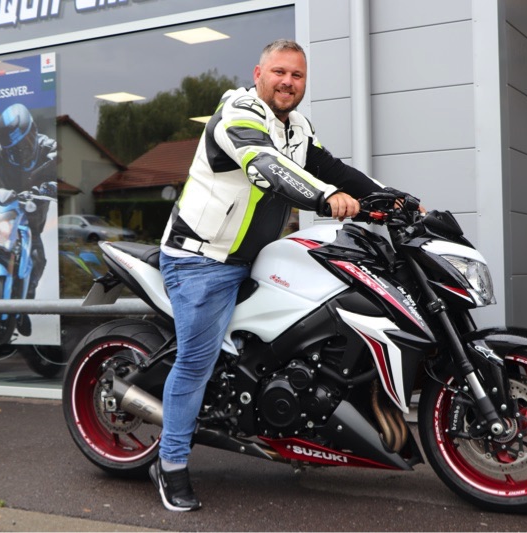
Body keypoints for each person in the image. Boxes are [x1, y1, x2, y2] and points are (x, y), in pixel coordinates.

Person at [152, 39, 386, 511]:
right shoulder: (237, 113)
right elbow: (267, 166)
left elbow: (331, 167)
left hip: (255, 256)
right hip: (202, 260)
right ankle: (171, 463)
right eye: (279, 72)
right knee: (196, 362)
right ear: (258, 72)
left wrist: (392, 198)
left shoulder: (296, 126)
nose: (287, 82)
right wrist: (324, 199)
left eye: (297, 76)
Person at [0, 102, 58, 337]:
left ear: (34, 133)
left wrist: (50, 186)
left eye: (24, 143)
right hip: (2, 215)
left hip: (30, 220)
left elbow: (64, 175)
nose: (20, 151)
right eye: (13, 148)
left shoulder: (49, 149)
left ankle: (23, 305)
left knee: (38, 259)